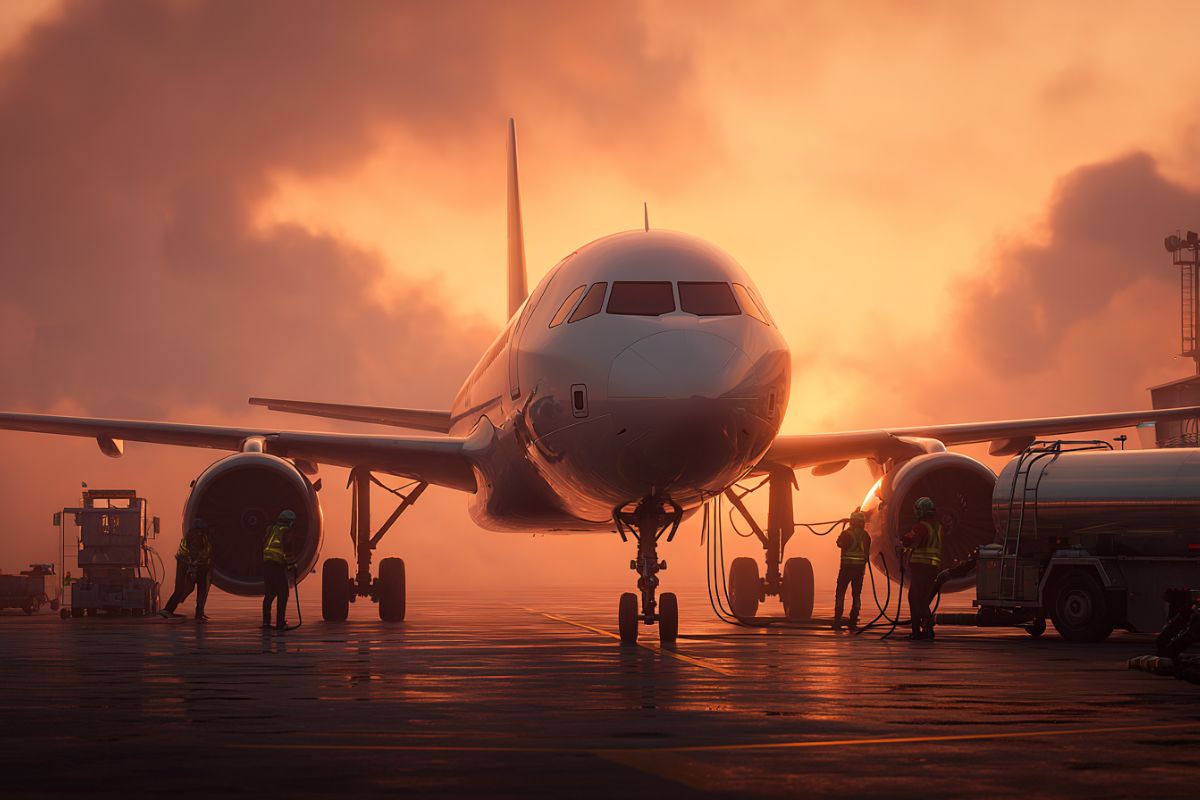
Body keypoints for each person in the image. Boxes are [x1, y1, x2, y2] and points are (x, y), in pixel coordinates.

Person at [901, 496, 943, 640]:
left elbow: (910, 540)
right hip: (932, 568)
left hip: (921, 568)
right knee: (924, 600)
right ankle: (928, 628)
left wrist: (904, 539)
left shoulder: (921, 526)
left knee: (914, 598)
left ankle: (917, 632)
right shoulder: (937, 527)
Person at [160, 519, 213, 621]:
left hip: (189, 563)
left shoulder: (192, 536)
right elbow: (195, 553)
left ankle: (169, 609)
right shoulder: (198, 537)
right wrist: (192, 567)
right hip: (190, 564)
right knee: (198, 589)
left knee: (183, 588)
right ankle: (196, 613)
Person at [833, 510, 870, 631]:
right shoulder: (866, 536)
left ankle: (837, 620)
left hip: (846, 569)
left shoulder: (847, 534)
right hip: (859, 570)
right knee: (856, 594)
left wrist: (843, 534)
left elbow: (839, 544)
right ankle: (853, 619)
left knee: (840, 593)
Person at [262, 509, 297, 631]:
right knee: (283, 594)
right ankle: (280, 623)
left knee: (269, 595)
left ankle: (266, 622)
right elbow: (288, 550)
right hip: (277, 566)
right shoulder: (286, 532)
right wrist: (292, 565)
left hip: (267, 565)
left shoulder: (271, 529)